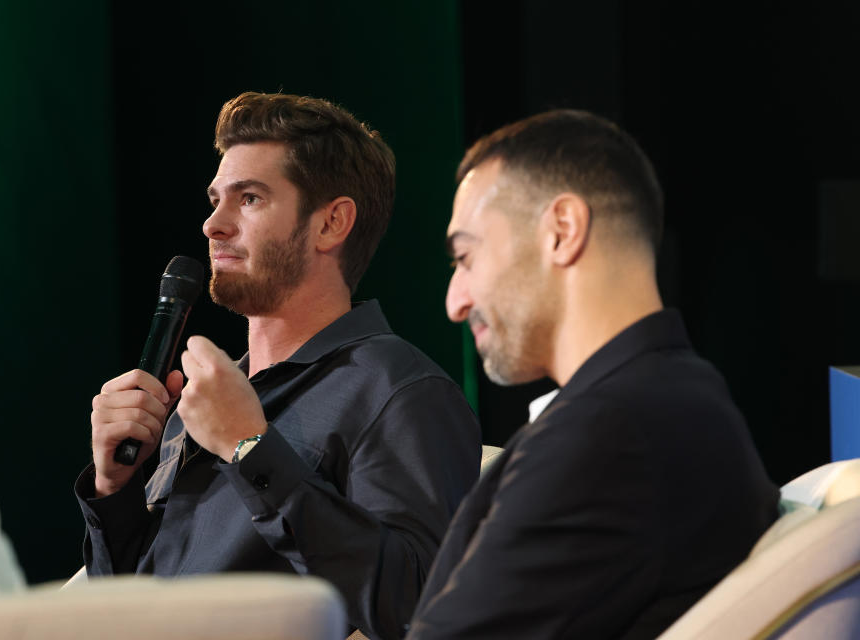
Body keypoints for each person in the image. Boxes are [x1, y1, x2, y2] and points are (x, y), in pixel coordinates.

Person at [75, 92, 481, 640]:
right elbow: (125, 615)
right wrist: (114, 487)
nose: (212, 224)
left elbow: (413, 606)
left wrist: (249, 449)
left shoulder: (399, 391)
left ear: (331, 223)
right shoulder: (202, 401)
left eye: (249, 199)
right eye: (216, 198)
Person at [407, 110, 779, 639]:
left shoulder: (610, 434)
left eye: (465, 257)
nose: (455, 303)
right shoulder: (675, 395)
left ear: (561, 230)